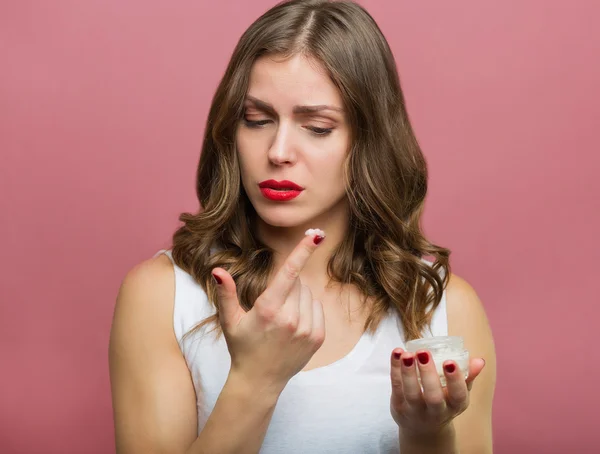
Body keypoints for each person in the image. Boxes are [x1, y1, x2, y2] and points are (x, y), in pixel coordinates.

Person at [109, 0, 496, 452]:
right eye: (257, 120)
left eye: (316, 127)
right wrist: (255, 381)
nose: (278, 151)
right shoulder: (164, 295)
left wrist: (426, 433)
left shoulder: (441, 306)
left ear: (369, 140)